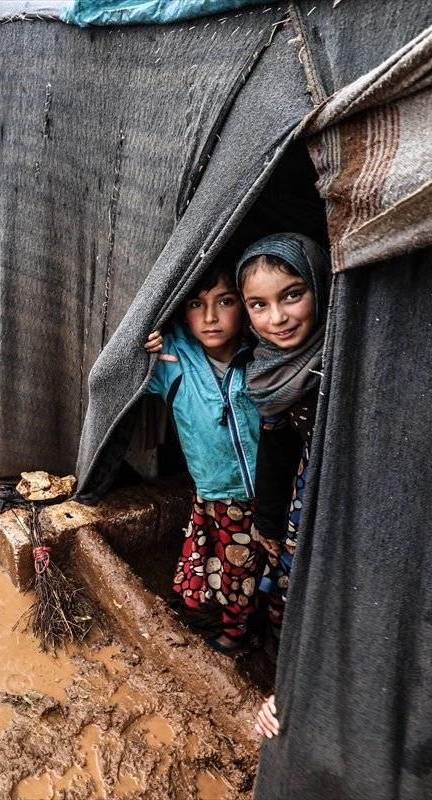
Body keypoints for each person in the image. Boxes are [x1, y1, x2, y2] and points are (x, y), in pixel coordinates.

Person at [232, 232, 330, 739]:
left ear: (320, 284)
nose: (278, 318)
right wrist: (267, 520)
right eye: (259, 305)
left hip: (339, 506)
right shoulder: (266, 369)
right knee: (287, 589)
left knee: (325, 597)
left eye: (292, 294)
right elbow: (276, 447)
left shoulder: (341, 358)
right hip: (298, 502)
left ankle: (297, 691)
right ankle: (279, 672)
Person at [143, 262, 264, 653]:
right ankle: (237, 633)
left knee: (271, 569)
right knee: (232, 570)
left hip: (274, 491)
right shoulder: (172, 364)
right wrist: (149, 344)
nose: (210, 317)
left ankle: (271, 633)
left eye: (225, 301)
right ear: (182, 312)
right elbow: (123, 365)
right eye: (197, 304)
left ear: (244, 306)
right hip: (219, 494)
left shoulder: (263, 357)